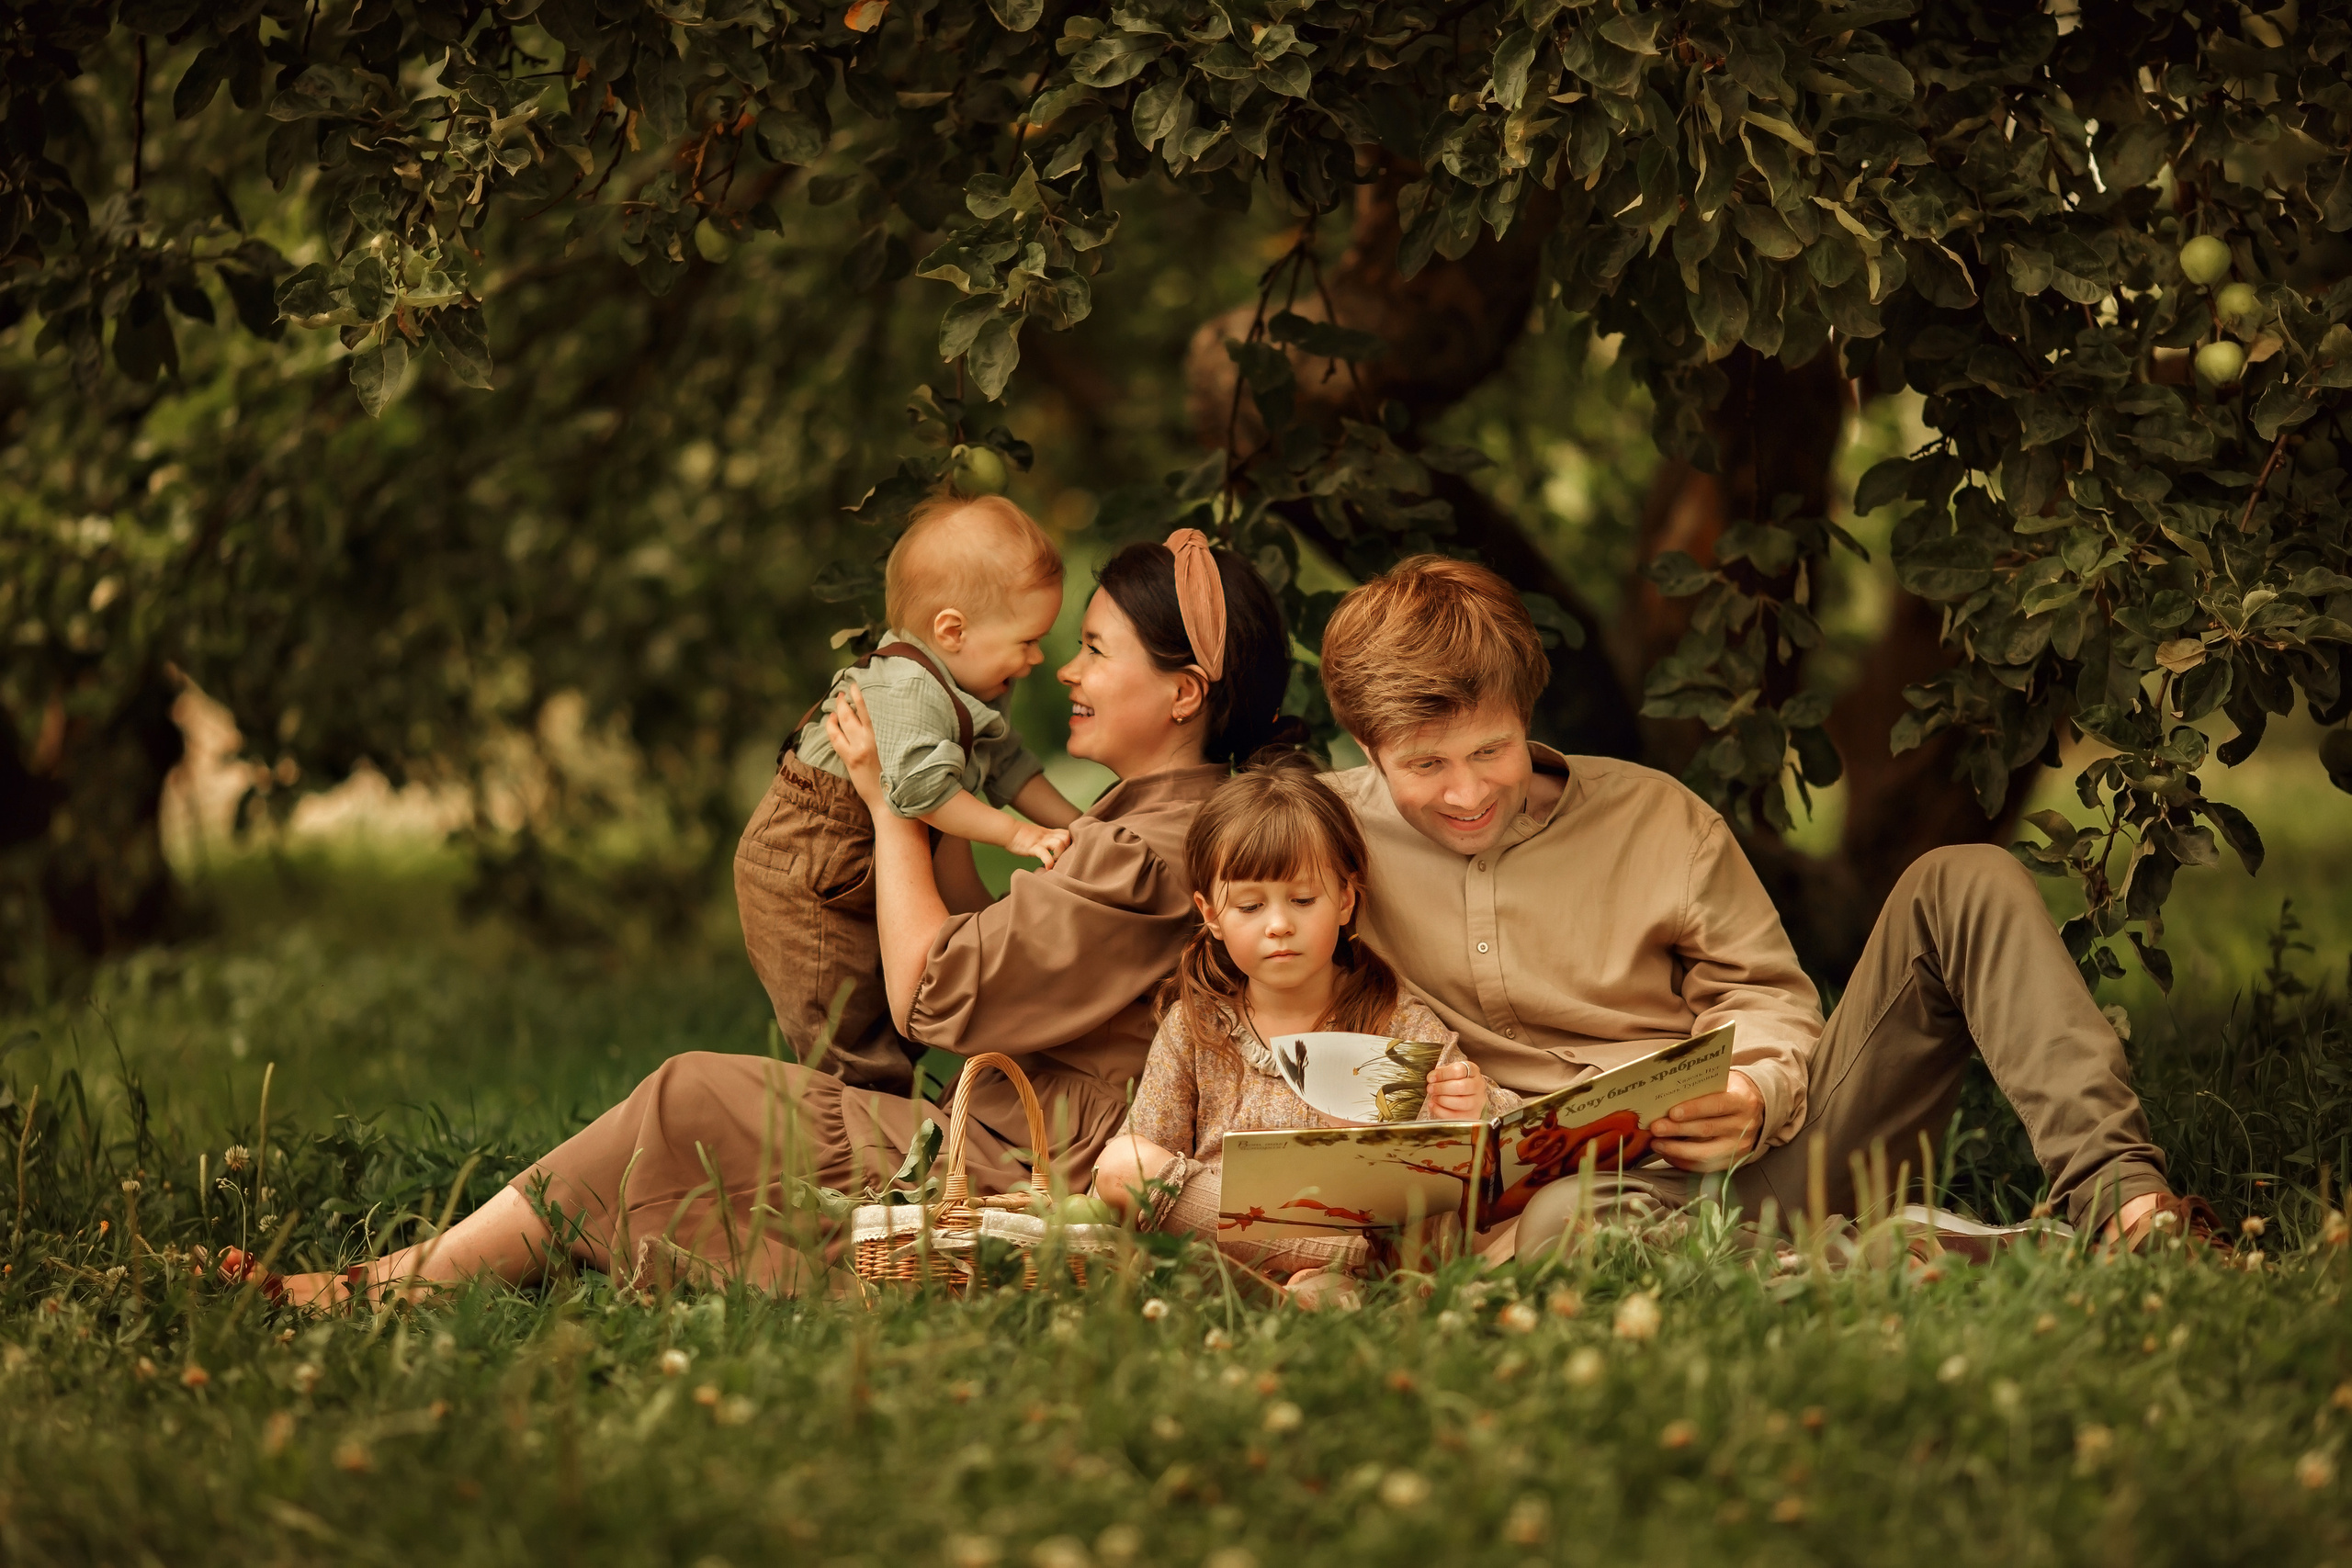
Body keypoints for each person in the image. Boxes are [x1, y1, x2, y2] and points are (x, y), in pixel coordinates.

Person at [254, 529, 1295, 1306]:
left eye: (1099, 651)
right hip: (1019, 1127)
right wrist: (941, 793)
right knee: (702, 1115)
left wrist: (891, 809)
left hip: (1030, 1165)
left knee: (690, 1099)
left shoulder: (1151, 849)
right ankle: (416, 1272)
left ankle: (386, 1285)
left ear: (1184, 693)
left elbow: (933, 994)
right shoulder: (1150, 819)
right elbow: (991, 957)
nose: (1066, 669)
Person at [1314, 555, 2225, 1257]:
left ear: (1525, 712)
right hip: (1587, 1204)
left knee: (1965, 877)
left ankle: (2129, 1215)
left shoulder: (1655, 816)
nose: (1466, 792)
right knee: (1567, 1230)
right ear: (1364, 746)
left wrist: (1754, 1092)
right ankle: (1901, 1257)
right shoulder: (1324, 842)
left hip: (1775, 1158)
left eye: (1490, 751)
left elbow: (1770, 999)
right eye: (1424, 767)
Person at [1091, 752, 1506, 1284]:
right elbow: (1139, 1158)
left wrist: (1470, 1104)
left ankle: (1325, 1277)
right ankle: (1325, 1261)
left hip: (1362, 1236)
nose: (1279, 925)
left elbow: (1494, 1142)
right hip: (1228, 1245)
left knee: (1332, 1286)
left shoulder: (1388, 1019)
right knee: (1122, 1163)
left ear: (1345, 900)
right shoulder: (1198, 1027)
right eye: (1249, 907)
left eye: (1303, 899)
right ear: (1211, 915)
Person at [737, 491, 1085, 1091]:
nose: (1035, 658)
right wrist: (1019, 833)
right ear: (953, 629)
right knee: (840, 1017)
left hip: (864, 852)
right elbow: (923, 793)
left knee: (898, 994)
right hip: (804, 868)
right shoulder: (907, 690)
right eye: (1027, 640)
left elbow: (1009, 767)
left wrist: (1081, 828)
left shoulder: (974, 684)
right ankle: (855, 1136)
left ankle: (899, 1114)